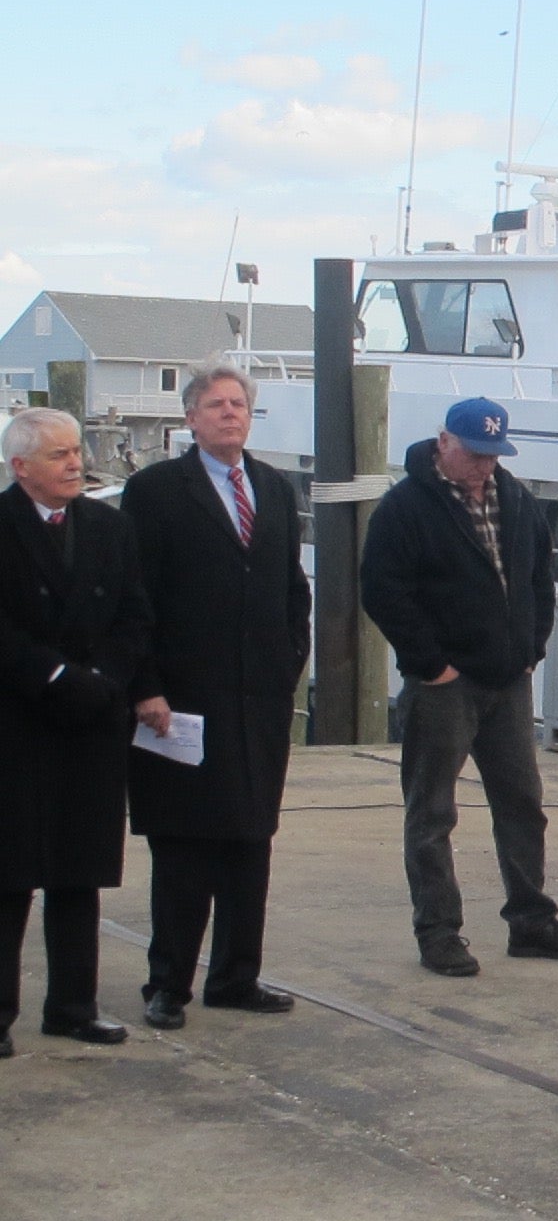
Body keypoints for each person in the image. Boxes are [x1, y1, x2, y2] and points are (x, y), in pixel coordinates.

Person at [361, 397, 558, 976]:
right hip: (444, 684)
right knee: (433, 810)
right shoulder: (406, 507)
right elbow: (383, 590)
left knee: (522, 802)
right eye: (473, 453)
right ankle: (439, 931)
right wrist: (430, 663)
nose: (483, 466)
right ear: (443, 443)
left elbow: (540, 577)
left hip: (507, 680)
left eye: (492, 455)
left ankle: (531, 920)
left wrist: (531, 649)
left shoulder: (515, 498)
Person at [124, 361, 312, 1030]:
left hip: (258, 700)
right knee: (184, 850)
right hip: (181, 702)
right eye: (215, 404)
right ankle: (168, 984)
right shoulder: (155, 492)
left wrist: (291, 657)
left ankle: (237, 975)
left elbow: (293, 586)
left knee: (249, 843)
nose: (229, 413)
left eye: (238, 403)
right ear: (190, 418)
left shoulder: (273, 488)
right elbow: (134, 598)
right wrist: (144, 686)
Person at [0, 408, 151, 1055]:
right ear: (20, 467)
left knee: (78, 871)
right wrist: (56, 676)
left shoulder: (109, 527)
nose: (73, 464)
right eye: (59, 454)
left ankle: (73, 1006)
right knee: (9, 876)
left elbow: (135, 615)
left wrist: (103, 679)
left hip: (92, 720)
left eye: (76, 452)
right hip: (18, 720)